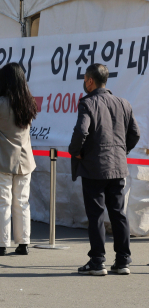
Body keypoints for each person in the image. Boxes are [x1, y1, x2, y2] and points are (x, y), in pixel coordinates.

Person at [69, 64, 140, 275]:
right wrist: (121, 150)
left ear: (90, 81)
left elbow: (82, 130)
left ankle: (97, 261)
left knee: (96, 214)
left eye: (85, 78)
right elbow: (135, 134)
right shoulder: (123, 103)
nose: (84, 82)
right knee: (119, 214)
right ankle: (123, 261)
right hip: (118, 166)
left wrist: (76, 151)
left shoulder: (87, 103)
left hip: (94, 167)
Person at [0, 63, 37, 255]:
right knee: (22, 201)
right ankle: (23, 243)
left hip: (2, 158)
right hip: (25, 159)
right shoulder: (29, 102)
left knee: (2, 202)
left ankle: (2, 244)